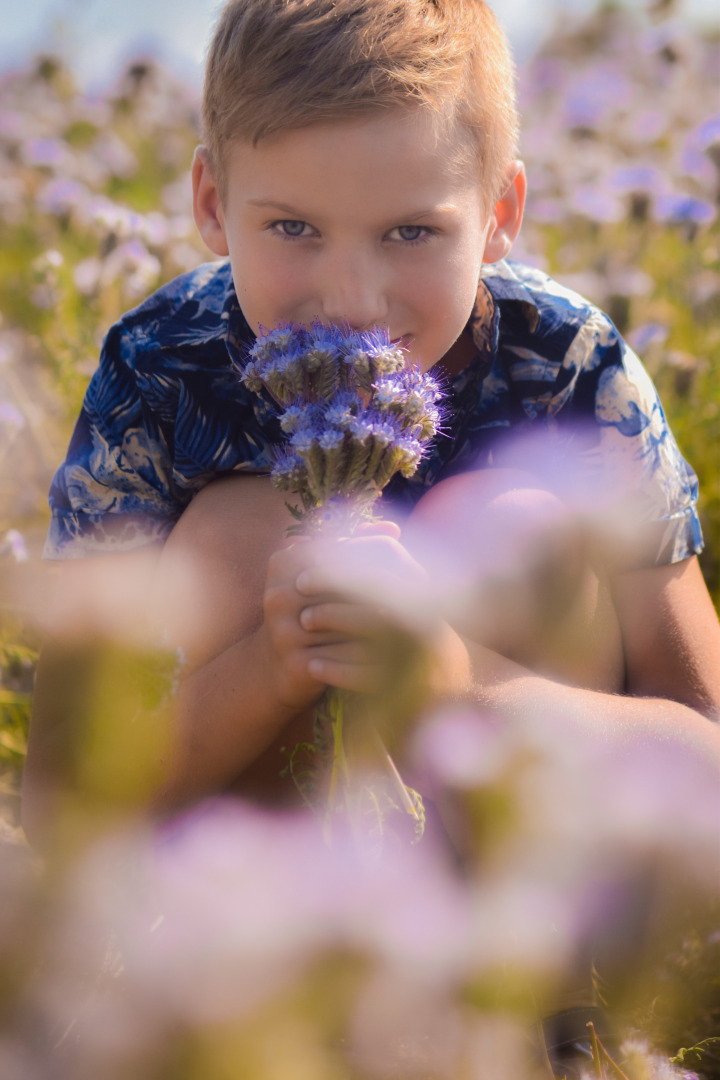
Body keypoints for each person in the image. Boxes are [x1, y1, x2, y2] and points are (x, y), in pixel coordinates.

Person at [22, 0, 720, 842]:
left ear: (500, 213)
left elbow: (705, 754)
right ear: (212, 202)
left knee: (519, 526)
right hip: (239, 886)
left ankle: (547, 949)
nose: (352, 298)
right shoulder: (162, 365)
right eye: (293, 227)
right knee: (252, 531)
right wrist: (274, 666)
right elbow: (59, 795)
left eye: (411, 232)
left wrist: (455, 680)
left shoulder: (570, 364)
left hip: (519, 867)